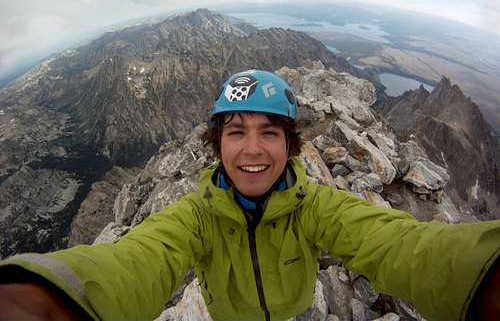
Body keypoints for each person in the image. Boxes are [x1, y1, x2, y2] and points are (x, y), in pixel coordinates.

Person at [0, 70, 499, 321]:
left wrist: (479, 273)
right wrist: (52, 296)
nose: (253, 150)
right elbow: (140, 258)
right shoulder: (195, 216)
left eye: (270, 133)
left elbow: (395, 244)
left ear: (290, 144)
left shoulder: (316, 207)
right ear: (217, 144)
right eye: (236, 132)